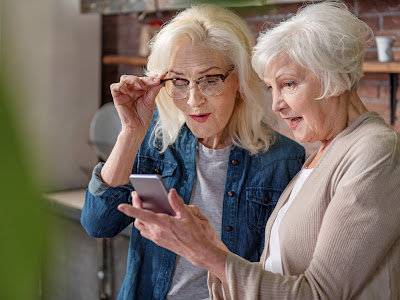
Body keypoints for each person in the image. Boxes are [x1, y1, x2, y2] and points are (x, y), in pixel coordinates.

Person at [117, 1, 400, 299]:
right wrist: (212, 247)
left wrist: (204, 254)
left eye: (288, 84)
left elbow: (320, 294)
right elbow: (276, 273)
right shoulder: (323, 153)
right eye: (271, 89)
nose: (277, 105)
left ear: (337, 75)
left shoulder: (376, 151)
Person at [81, 4, 305, 300]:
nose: (193, 99)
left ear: (239, 79)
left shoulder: (284, 159)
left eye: (210, 79)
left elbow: (281, 274)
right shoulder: (153, 142)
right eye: (179, 81)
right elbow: (99, 224)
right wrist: (131, 132)